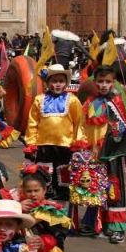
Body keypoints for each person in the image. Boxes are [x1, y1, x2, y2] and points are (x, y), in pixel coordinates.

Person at [80, 65, 126, 243]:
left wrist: (111, 142)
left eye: (108, 81)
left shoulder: (117, 101)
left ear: (113, 82)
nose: (103, 85)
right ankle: (94, 222)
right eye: (100, 81)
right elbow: (82, 126)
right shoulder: (90, 103)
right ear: (95, 82)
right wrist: (84, 146)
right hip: (93, 154)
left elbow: (121, 127)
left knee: (114, 187)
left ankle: (117, 227)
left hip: (112, 155)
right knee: (93, 187)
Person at [24, 63, 86, 201]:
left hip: (65, 145)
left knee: (63, 172)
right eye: (54, 81)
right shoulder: (39, 100)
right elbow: (33, 122)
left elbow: (79, 123)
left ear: (66, 83)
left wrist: (78, 142)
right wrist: (31, 143)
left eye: (61, 81)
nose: (57, 84)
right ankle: (44, 197)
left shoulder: (73, 100)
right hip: (43, 144)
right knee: (43, 172)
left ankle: (62, 200)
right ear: (47, 83)